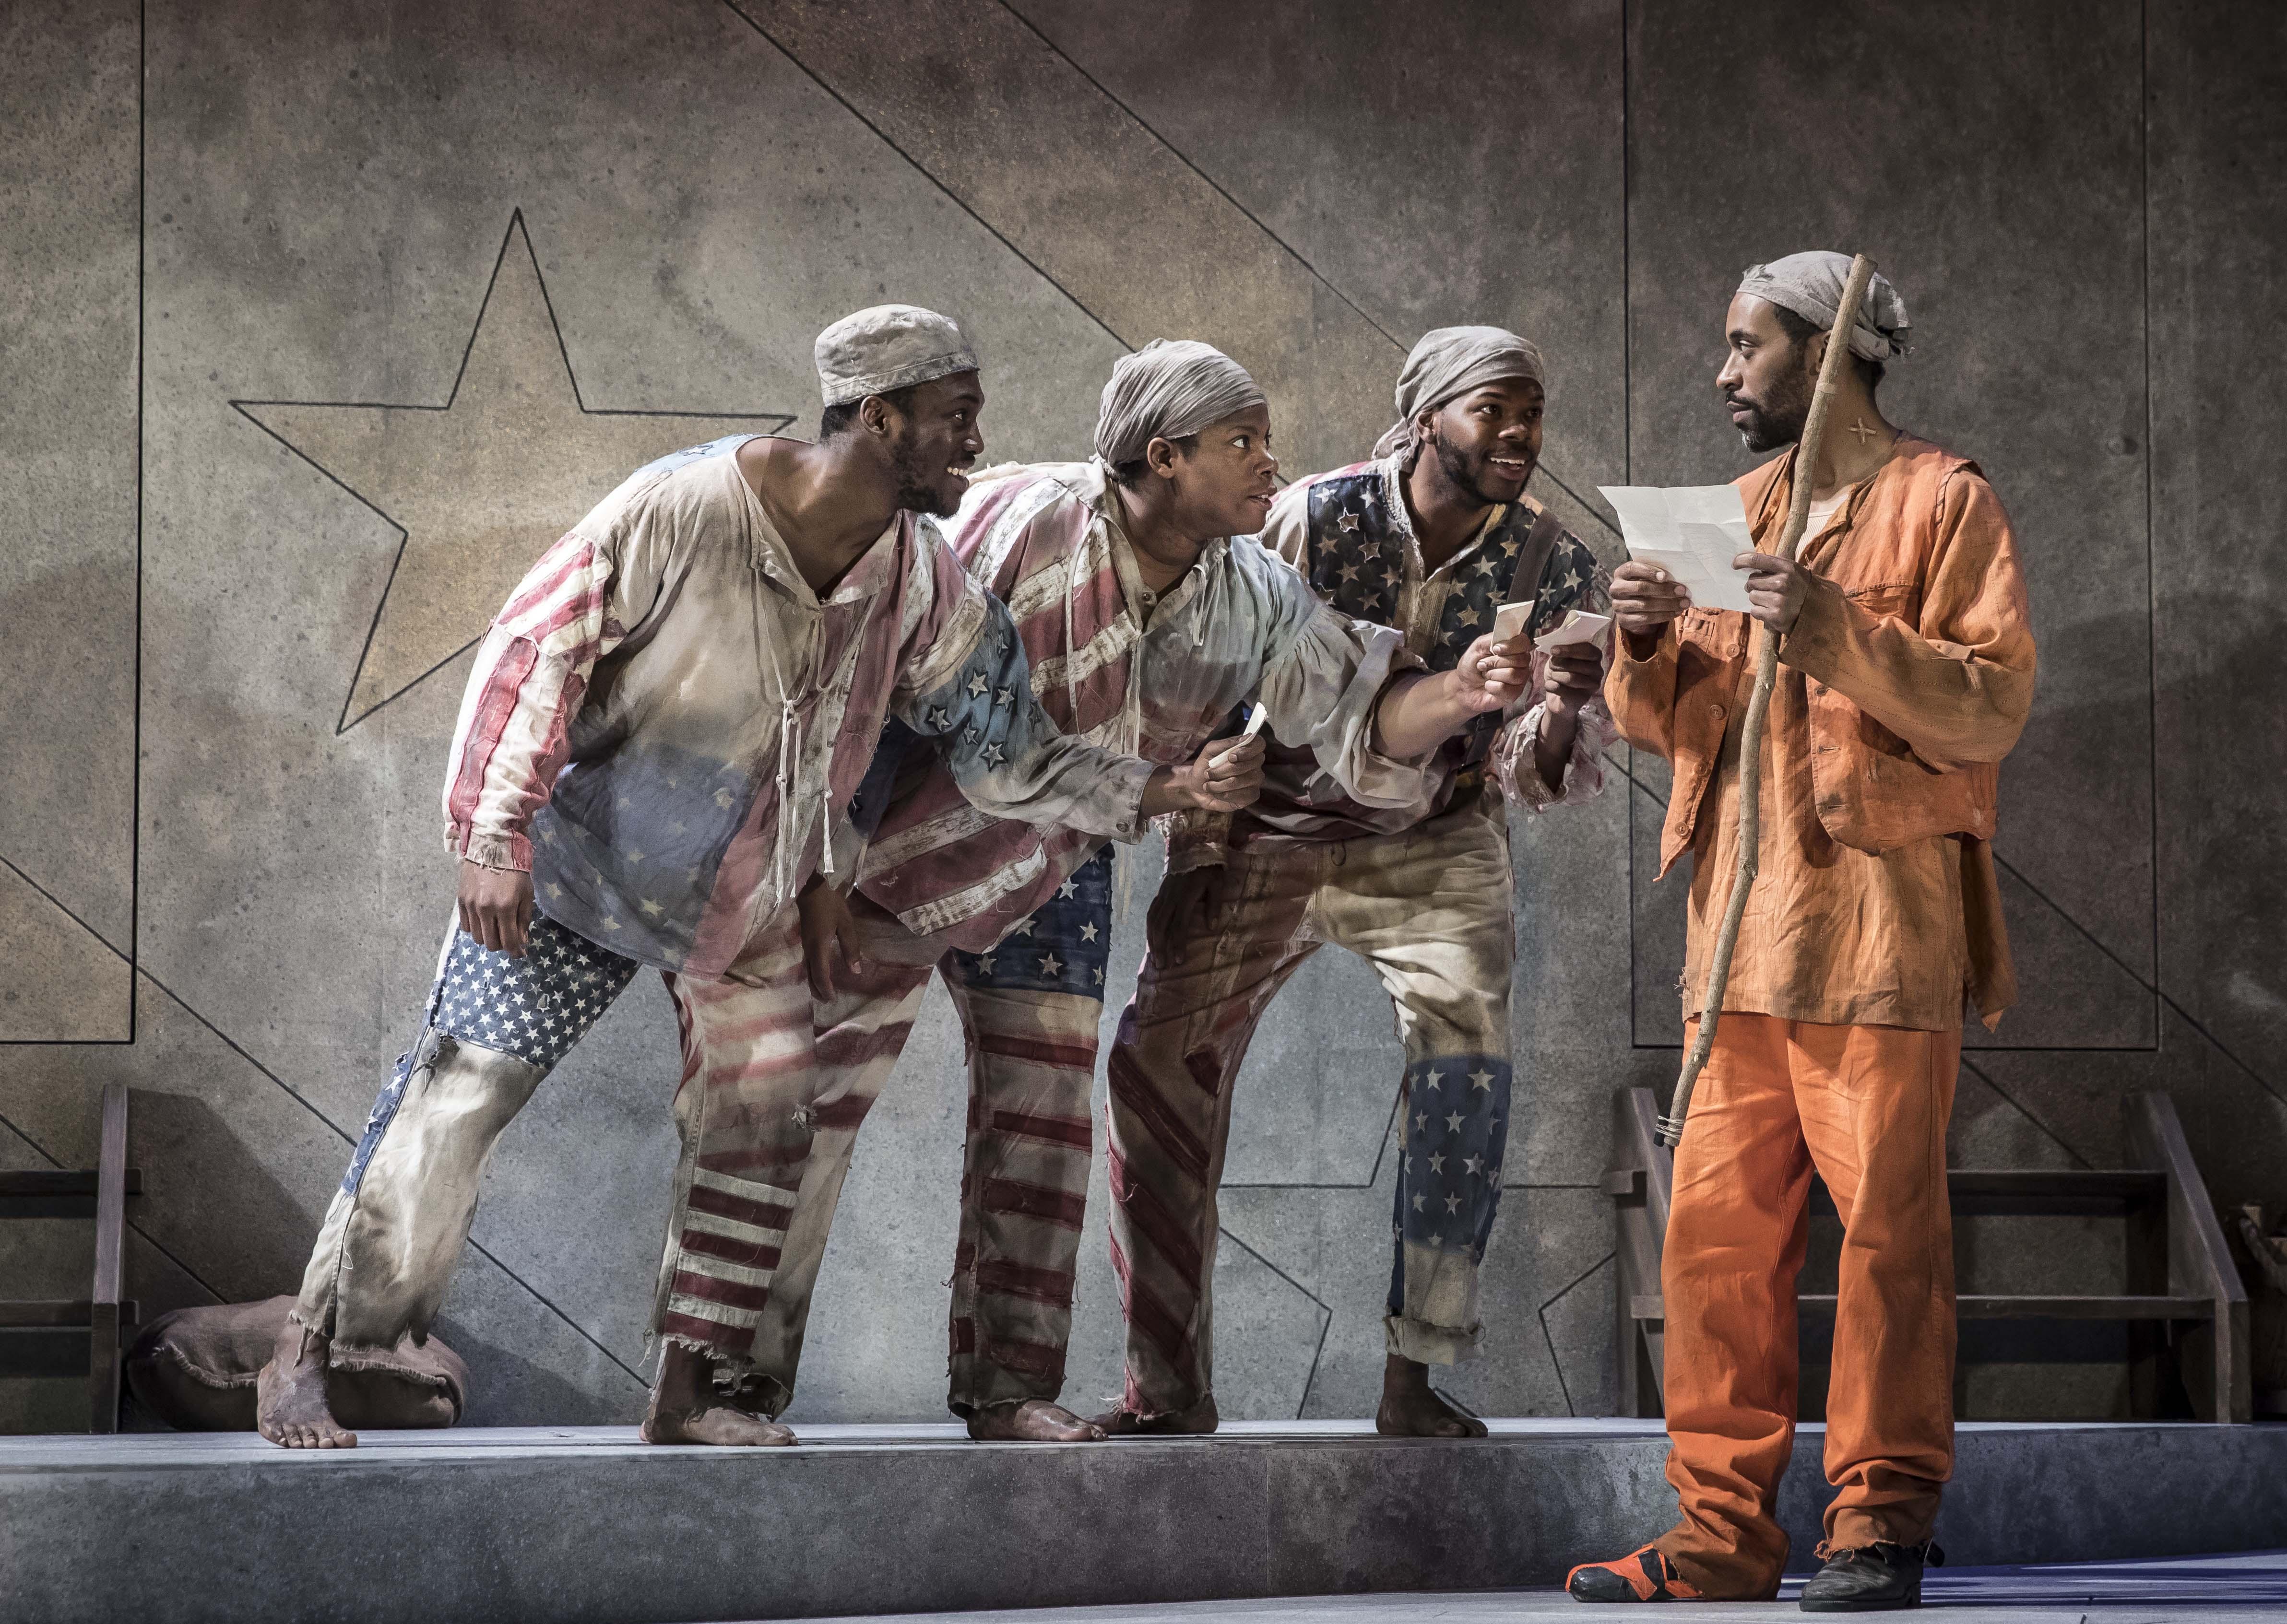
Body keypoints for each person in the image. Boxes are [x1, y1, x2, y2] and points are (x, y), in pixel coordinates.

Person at [257, 307, 1231, 1451]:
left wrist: (1153, 793)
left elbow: (999, 747)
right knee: (457, 1097)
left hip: (748, 901)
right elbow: (534, 648)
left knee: (765, 1119)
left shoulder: (916, 573)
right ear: (882, 417)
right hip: (577, 878)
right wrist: (488, 838)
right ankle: (310, 1354)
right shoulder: (684, 504)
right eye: (957, 418)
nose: (977, 442)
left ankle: (686, 1397)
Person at [690, 339, 1532, 1441]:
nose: (1269, 465)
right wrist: (822, 870)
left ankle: (1007, 1388)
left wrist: (1463, 691)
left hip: (1055, 869)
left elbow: (1362, 710)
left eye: (1266, 442)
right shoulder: (1022, 520)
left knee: (1041, 1125)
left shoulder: (1254, 588)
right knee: (816, 1103)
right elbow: (864, 664)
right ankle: (731, 1380)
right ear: (1164, 454)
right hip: (890, 861)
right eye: (1242, 443)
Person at [1564, 254, 2035, 1610]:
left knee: (1891, 1246)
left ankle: (1877, 1526)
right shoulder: (1735, 513)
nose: (1723, 374)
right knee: (1710, 1250)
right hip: (1733, 952)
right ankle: (1718, 1538)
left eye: (1745, 346)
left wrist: (1836, 630)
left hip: (1878, 940)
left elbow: (1989, 704)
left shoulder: (1945, 502)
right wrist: (1644, 647)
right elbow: (1679, 728)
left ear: (1833, 352)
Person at [1097, 326, 1613, 1439]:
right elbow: (1222, 684)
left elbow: (1532, 769)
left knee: (1465, 1079)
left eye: (1532, 410)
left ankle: (1413, 1378)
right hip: (1270, 832)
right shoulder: (1312, 516)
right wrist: (1198, 846)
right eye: (1494, 409)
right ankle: (1167, 1386)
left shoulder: (1555, 563)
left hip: (1436, 840)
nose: (1520, 431)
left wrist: (1563, 704)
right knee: (1154, 1068)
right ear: (1429, 416)